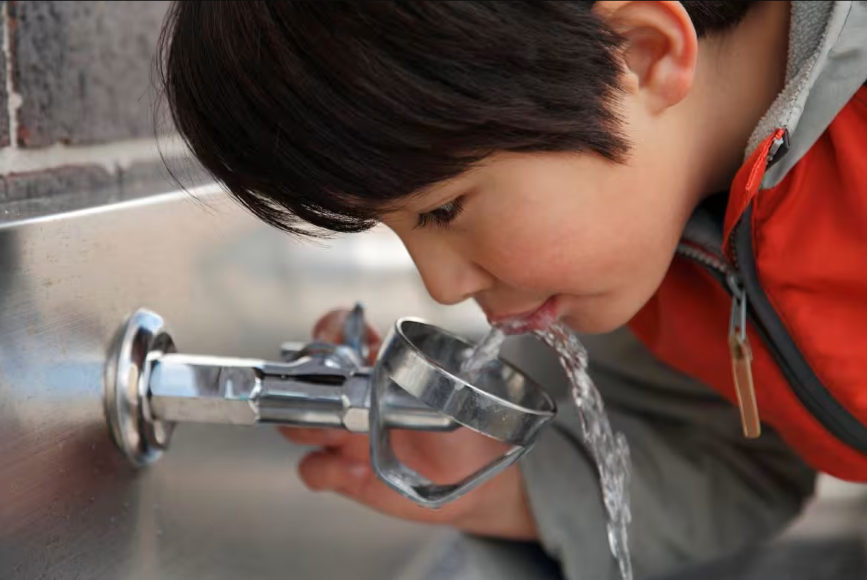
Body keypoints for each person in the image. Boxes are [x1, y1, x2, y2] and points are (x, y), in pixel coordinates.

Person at [156, 2, 867, 578]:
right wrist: (505, 485)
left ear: (640, 55)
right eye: (398, 230)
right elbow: (739, 460)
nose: (441, 286)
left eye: (444, 209)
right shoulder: (662, 237)